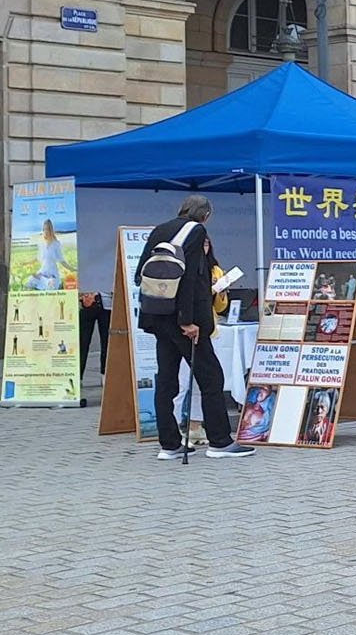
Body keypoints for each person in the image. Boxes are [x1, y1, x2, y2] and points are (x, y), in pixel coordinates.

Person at [134, 195, 253, 460]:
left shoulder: (160, 229)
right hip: (184, 321)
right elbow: (191, 280)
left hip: (158, 315)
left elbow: (140, 272)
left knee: (166, 379)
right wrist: (187, 320)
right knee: (211, 378)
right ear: (206, 215)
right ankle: (220, 441)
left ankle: (169, 444)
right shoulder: (196, 232)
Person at [26, 219, 74, 290]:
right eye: (44, 229)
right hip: (42, 273)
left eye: (47, 229)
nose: (45, 231)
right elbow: (38, 258)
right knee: (30, 280)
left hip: (52, 275)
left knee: (51, 285)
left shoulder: (56, 244)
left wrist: (72, 269)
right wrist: (26, 263)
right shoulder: (42, 244)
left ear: (51, 230)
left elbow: (62, 261)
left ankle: (48, 283)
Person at [78, 291, 110, 378]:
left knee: (107, 343)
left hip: (107, 303)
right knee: (82, 342)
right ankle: (77, 377)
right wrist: (82, 295)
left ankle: (106, 377)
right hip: (87, 300)